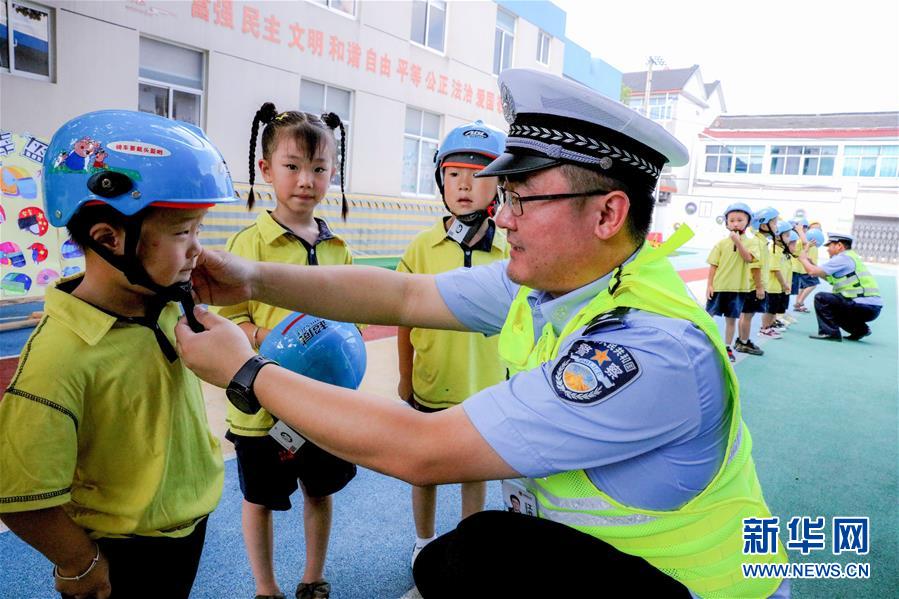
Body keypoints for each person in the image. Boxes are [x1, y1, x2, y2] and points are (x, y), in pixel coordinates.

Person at [176, 69, 789, 598]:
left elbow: (422, 450)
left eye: (522, 196)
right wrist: (250, 277)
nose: (501, 214)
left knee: (479, 553)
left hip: (692, 590)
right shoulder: (565, 280)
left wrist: (247, 372)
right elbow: (407, 293)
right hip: (610, 564)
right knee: (483, 550)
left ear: (607, 213)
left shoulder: (648, 350)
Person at [0, 110, 233, 599]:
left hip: (184, 530)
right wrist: (80, 564)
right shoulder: (59, 356)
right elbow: (18, 493)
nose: (198, 251)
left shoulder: (168, 306)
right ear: (109, 240)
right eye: (183, 233)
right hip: (122, 552)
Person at [213, 102, 356, 599]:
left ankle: (313, 577)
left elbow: (349, 320)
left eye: (319, 169)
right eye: (292, 166)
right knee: (260, 499)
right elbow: (229, 321)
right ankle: (265, 587)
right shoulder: (247, 244)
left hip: (323, 406)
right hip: (263, 409)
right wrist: (274, 344)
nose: (305, 180)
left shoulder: (338, 248)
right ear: (265, 170)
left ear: (332, 173)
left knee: (320, 491)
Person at [395, 120, 509, 566]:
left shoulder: (509, 251)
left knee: (473, 472)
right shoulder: (422, 248)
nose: (465, 185)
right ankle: (424, 540)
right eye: (454, 173)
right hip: (430, 384)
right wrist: (405, 378)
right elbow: (401, 319)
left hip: (485, 389)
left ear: (500, 185)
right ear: (440, 179)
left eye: (480, 175)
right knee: (422, 471)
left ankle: (467, 543)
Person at [796, 232, 882, 341]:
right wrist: (813, 265)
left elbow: (812, 271)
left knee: (821, 298)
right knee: (835, 304)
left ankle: (830, 333)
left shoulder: (843, 258)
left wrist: (803, 259)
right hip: (871, 308)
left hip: (861, 305)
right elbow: (829, 278)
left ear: (839, 246)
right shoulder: (851, 256)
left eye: (830, 246)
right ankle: (861, 330)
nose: (827, 250)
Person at [705, 202, 760, 362]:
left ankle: (727, 347)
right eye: (732, 220)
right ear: (727, 223)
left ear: (748, 222)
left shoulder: (752, 242)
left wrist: (738, 242)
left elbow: (749, 258)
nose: (735, 223)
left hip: (738, 289)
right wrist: (709, 285)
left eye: (740, 220)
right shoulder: (721, 244)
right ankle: (705, 344)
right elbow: (713, 265)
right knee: (709, 317)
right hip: (719, 286)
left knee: (731, 320)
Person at [736, 207, 779, 355]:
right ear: (763, 224)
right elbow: (755, 266)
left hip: (750, 285)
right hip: (754, 285)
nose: (776, 226)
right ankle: (744, 343)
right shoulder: (757, 242)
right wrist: (760, 287)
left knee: (745, 314)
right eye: (774, 222)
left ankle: (741, 340)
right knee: (747, 316)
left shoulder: (759, 240)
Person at [792, 219, 821, 313]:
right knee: (813, 284)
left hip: (806, 268)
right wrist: (800, 230)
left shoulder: (814, 242)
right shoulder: (803, 240)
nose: (816, 231)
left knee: (803, 287)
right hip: (805, 268)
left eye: (819, 229)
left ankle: (798, 304)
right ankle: (799, 302)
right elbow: (805, 244)